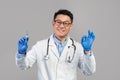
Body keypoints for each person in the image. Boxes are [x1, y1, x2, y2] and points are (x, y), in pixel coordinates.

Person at [16, 9, 96, 80]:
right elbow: (23, 66)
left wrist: (87, 51)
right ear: (53, 23)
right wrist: (21, 53)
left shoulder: (77, 48)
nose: (61, 26)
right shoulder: (40, 46)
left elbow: (89, 71)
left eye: (66, 23)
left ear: (71, 26)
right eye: (58, 22)